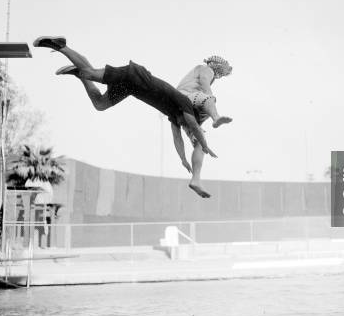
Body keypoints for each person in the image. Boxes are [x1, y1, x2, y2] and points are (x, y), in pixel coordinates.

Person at [33, 36, 217, 198]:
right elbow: (193, 126)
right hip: (134, 76)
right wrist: (205, 145)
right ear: (188, 115)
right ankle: (62, 46)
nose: (182, 125)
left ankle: (79, 73)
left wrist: (183, 159)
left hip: (131, 88)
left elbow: (177, 138)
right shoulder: (184, 104)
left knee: (100, 104)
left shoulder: (174, 115)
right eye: (185, 122)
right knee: (91, 73)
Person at [175, 56, 233, 198]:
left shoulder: (197, 72)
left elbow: (175, 132)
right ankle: (216, 118)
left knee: (200, 145)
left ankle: (195, 180)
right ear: (217, 66)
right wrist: (210, 98)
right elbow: (204, 81)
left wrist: (183, 158)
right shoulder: (206, 69)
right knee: (208, 98)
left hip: (182, 111)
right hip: (186, 97)